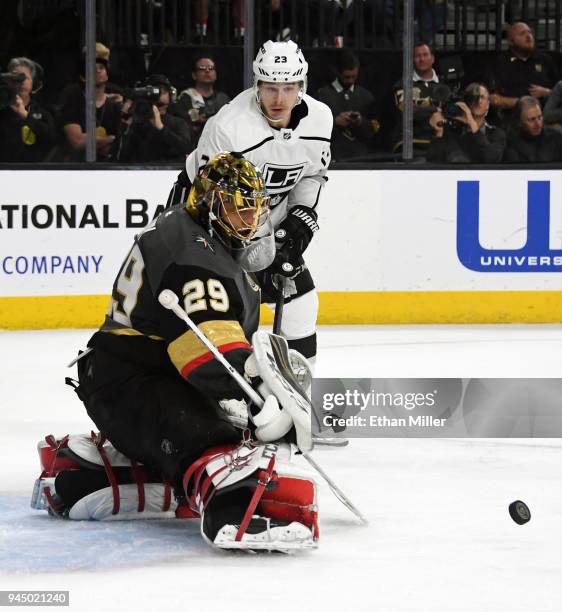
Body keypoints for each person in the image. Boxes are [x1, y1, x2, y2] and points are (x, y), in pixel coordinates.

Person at [34, 152, 318, 552]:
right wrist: (258, 396)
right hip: (130, 379)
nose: (249, 221)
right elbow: (206, 352)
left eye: (254, 209)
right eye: (237, 210)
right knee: (211, 439)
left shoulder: (195, 233)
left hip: (137, 374)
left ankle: (87, 476)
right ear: (208, 203)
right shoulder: (193, 253)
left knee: (228, 434)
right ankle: (233, 512)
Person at [167, 40, 333, 365]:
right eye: (270, 87)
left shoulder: (321, 119)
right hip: (202, 216)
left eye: (289, 87)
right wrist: (260, 245)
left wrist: (300, 217)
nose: (279, 99)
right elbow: (212, 198)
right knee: (209, 303)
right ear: (257, 84)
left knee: (301, 300)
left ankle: (299, 388)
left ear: (303, 85)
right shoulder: (228, 127)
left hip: (263, 220)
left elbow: (313, 174)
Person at [58, 42, 122, 161]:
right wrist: (108, 140)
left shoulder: (116, 95)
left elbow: (122, 141)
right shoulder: (72, 94)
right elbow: (77, 141)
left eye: (102, 66)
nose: (98, 70)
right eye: (93, 66)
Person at [487, 22, 558, 127]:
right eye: (522, 34)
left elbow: (559, 90)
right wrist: (521, 103)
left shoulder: (545, 60)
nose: (528, 36)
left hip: (545, 118)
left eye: (529, 33)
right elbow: (491, 97)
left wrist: (547, 92)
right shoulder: (500, 63)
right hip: (512, 119)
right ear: (511, 42)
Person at [316, 50, 377, 161]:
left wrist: (360, 122)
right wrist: (335, 122)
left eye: (353, 77)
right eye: (346, 77)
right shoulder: (323, 96)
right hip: (333, 157)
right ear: (338, 72)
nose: (350, 80)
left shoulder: (366, 96)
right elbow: (314, 130)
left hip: (361, 158)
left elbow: (375, 131)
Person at [118, 74, 191, 163]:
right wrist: (124, 125)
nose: (159, 96)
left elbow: (187, 149)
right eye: (155, 92)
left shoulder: (178, 122)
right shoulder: (138, 122)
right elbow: (122, 156)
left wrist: (161, 128)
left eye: (163, 92)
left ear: (169, 95)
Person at [427, 82, 505, 163]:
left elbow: (492, 159)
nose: (478, 101)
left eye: (482, 97)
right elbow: (433, 161)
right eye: (474, 98)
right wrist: (439, 132)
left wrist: (472, 123)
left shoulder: (496, 133)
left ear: (488, 104)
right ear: (466, 102)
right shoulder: (452, 130)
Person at [0, 57, 56, 162]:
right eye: (17, 78)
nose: (22, 82)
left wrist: (25, 115)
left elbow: (50, 138)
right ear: (9, 80)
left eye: (27, 78)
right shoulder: (2, 109)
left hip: (34, 172)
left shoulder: (43, 111)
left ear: (32, 83)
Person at [392, 42, 440, 157]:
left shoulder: (444, 84)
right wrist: (437, 109)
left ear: (432, 58)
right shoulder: (402, 84)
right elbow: (408, 110)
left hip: (440, 142)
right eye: (417, 56)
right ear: (412, 60)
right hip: (412, 145)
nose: (421, 59)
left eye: (425, 55)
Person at [173, 57, 230, 148]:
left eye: (211, 68)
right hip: (193, 147)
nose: (207, 71)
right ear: (194, 75)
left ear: (216, 74)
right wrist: (194, 120)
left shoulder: (223, 98)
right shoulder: (185, 98)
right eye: (202, 68)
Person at [504, 96, 562, 163]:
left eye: (540, 117)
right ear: (519, 122)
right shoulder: (509, 144)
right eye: (532, 119)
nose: (538, 124)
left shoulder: (556, 138)